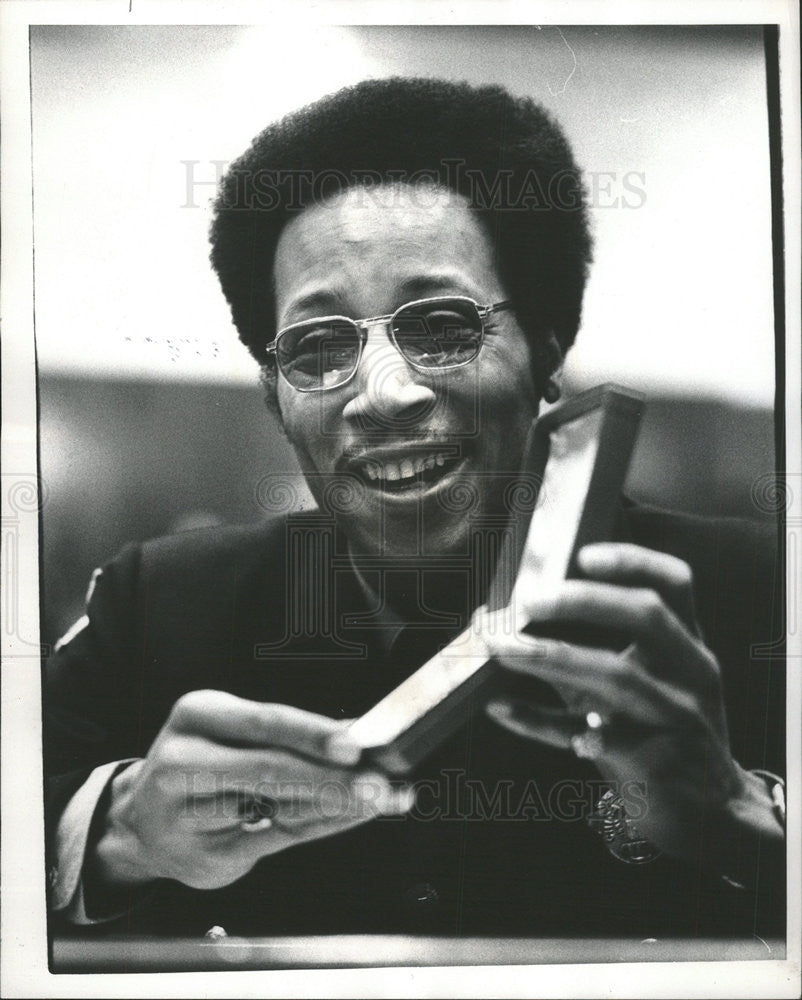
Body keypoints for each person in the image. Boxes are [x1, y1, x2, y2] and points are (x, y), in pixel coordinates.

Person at [44, 77, 785, 942]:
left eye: (441, 326)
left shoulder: (760, 594)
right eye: (319, 346)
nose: (384, 394)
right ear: (273, 395)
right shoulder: (155, 606)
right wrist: (124, 832)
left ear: (548, 348)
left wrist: (737, 818)